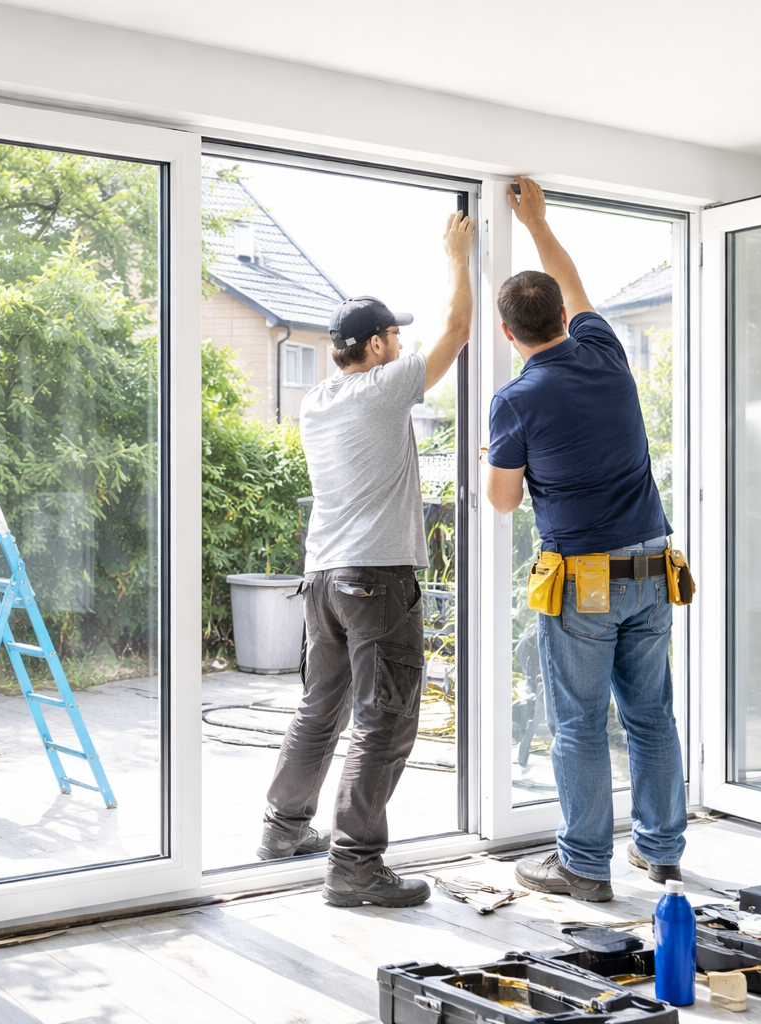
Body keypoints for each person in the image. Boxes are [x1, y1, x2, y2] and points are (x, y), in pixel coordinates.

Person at [258, 211, 475, 909]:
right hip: (376, 579)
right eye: (394, 336)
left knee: (321, 708)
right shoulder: (383, 390)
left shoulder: (318, 401)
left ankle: (283, 828)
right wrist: (456, 255)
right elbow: (459, 332)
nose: (403, 344)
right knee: (384, 719)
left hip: (322, 575)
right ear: (376, 346)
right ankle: (355, 865)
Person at [486, 178, 685, 902]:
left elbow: (503, 502)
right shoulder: (604, 351)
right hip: (654, 564)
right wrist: (536, 222)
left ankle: (584, 866)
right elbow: (573, 285)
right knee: (651, 714)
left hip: (588, 578)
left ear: (510, 335)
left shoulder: (515, 399)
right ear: (566, 321)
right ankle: (661, 852)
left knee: (576, 723)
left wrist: (503, 457)